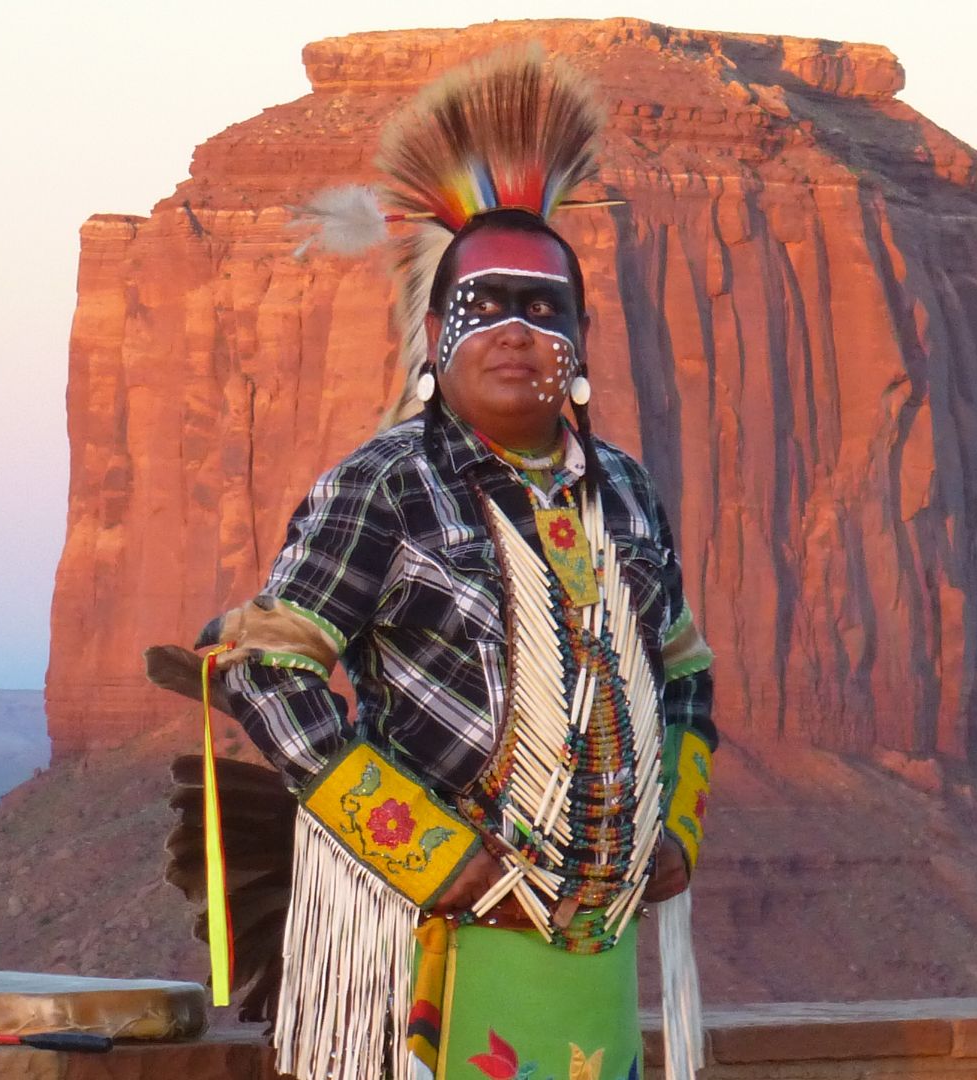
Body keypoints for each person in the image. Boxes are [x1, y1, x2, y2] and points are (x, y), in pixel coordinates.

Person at [182, 51, 716, 1080]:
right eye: (486, 304)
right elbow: (261, 664)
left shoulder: (624, 492)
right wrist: (427, 851)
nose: (517, 332)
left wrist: (673, 830)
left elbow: (685, 673)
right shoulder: (387, 483)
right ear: (434, 332)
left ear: (582, 336)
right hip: (435, 944)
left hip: (599, 956)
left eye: (545, 307)